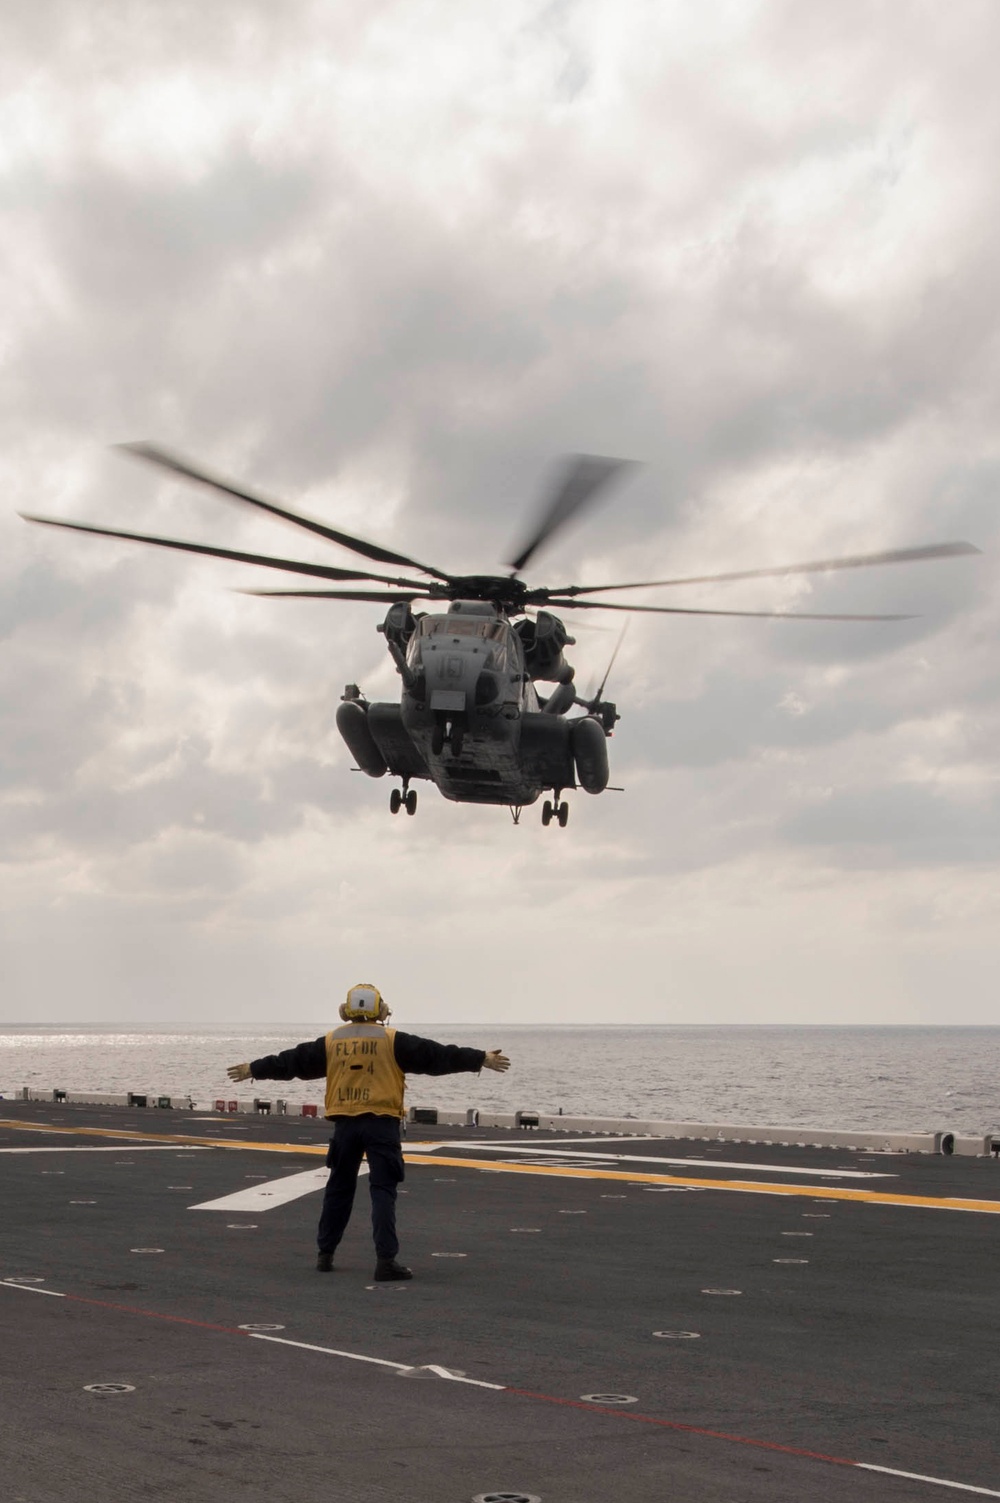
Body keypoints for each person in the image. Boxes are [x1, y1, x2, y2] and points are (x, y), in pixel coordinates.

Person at [226, 983, 510, 1281]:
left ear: (346, 1011)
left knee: (338, 1188)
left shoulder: (331, 1041)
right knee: (383, 1190)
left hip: (345, 1124)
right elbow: (437, 1056)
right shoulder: (392, 1040)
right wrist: (479, 1058)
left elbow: (291, 1062)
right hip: (381, 1123)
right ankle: (385, 1261)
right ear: (381, 1010)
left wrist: (253, 1069)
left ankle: (325, 1254)